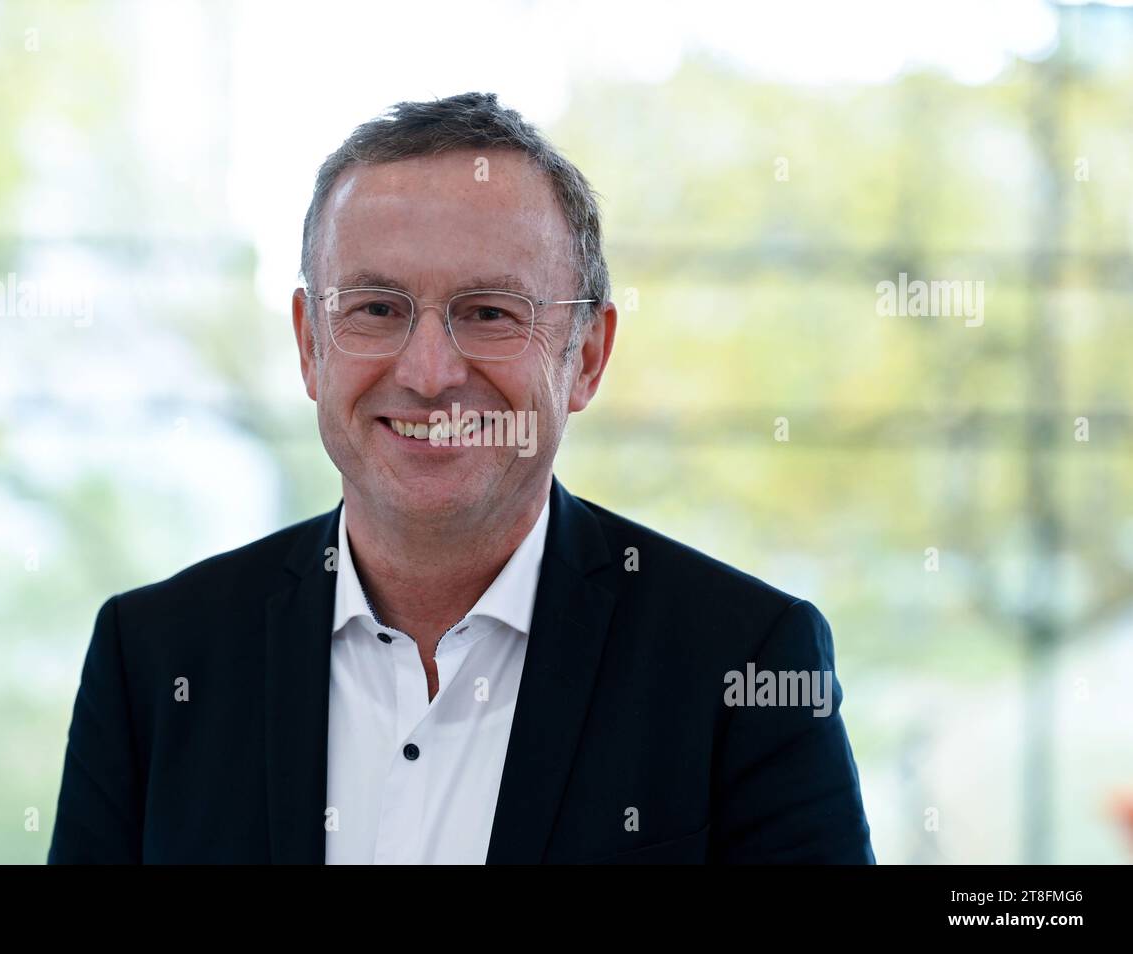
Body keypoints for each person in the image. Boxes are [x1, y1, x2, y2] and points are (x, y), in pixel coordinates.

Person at [48, 91, 874, 864]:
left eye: (488, 312)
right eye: (376, 308)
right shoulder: (152, 661)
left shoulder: (745, 661)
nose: (431, 371)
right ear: (310, 345)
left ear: (586, 357)